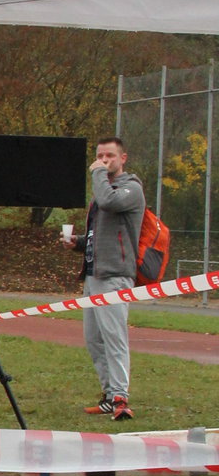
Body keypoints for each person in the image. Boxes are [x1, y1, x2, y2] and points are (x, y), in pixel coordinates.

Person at [69, 137, 143, 422]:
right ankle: (109, 395)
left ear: (123, 158)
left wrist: (98, 173)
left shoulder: (131, 188)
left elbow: (110, 203)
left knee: (114, 338)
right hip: (93, 274)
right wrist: (78, 242)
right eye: (99, 156)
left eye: (109, 156)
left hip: (115, 276)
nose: (103, 160)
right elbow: (99, 233)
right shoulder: (102, 189)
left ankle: (121, 398)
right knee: (94, 340)